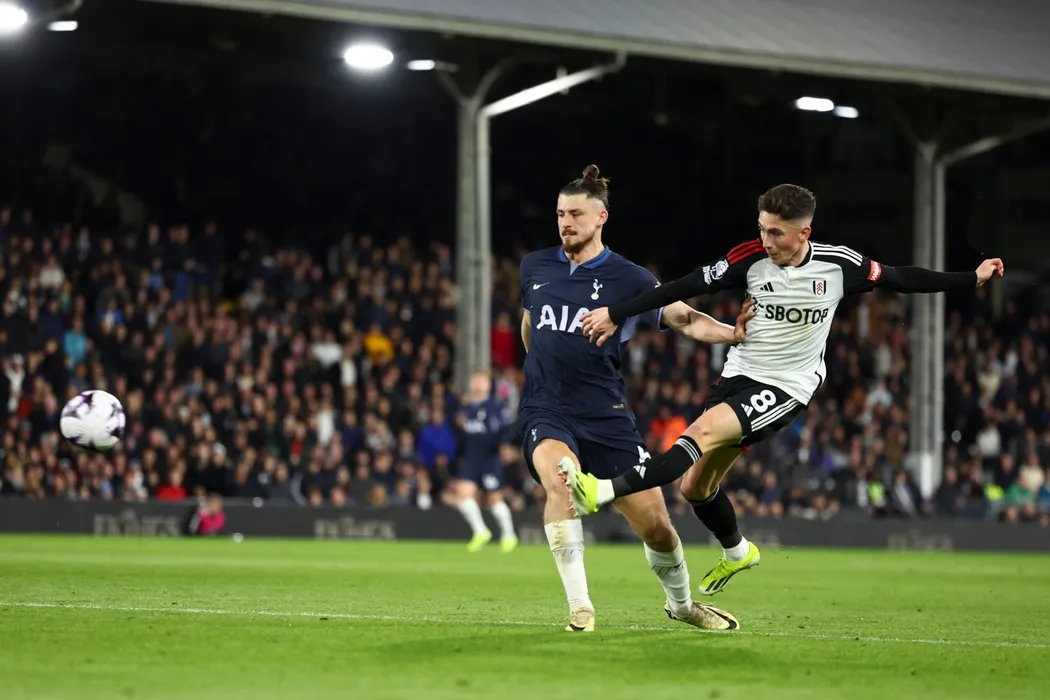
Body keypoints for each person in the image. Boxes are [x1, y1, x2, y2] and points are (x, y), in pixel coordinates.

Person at [563, 183, 1005, 596]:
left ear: (803, 233)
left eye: (776, 232)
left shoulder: (839, 266)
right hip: (738, 375)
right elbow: (684, 286)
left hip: (787, 386)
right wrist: (618, 312)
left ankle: (601, 491)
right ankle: (739, 552)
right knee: (694, 488)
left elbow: (900, 277)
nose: (766, 240)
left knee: (698, 435)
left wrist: (972, 278)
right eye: (762, 229)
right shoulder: (748, 259)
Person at [519, 164, 753, 632]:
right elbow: (530, 325)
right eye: (561, 214)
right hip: (547, 409)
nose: (566, 223)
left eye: (576, 215)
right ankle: (580, 607)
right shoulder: (535, 267)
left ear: (601, 217)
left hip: (606, 415)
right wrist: (542, 375)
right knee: (561, 483)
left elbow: (685, 319)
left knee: (657, 528)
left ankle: (682, 606)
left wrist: (732, 333)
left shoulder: (630, 278)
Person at [453, 370, 518, 553]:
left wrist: (505, 445)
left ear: (489, 385)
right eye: (475, 381)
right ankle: (480, 531)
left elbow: (508, 428)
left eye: (481, 381)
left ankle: (509, 535)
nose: (478, 384)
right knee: (463, 495)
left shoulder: (496, 407)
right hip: (472, 458)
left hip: (490, 458)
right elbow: (460, 435)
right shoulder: (465, 409)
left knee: (494, 499)